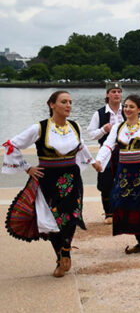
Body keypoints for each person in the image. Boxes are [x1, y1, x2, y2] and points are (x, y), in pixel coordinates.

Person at [2, 91, 94, 277]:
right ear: (52, 104)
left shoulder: (74, 126)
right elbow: (12, 145)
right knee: (51, 220)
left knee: (71, 215)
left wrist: (93, 162)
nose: (68, 105)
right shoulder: (40, 128)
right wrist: (27, 168)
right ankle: (60, 256)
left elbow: (81, 147)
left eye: (70, 102)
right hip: (48, 179)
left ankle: (65, 251)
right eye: (63, 102)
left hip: (71, 177)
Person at [92, 95, 140, 254]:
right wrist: (100, 161)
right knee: (124, 203)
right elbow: (108, 145)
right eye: (126, 106)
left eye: (131, 107)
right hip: (125, 171)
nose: (127, 109)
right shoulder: (118, 127)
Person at [86, 81, 125, 224]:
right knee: (106, 182)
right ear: (107, 94)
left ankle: (123, 211)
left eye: (119, 92)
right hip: (106, 151)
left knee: (125, 180)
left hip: (124, 151)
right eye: (113, 92)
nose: (116, 94)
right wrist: (103, 130)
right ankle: (109, 213)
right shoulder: (100, 113)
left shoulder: (127, 110)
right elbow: (90, 134)